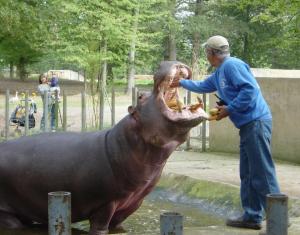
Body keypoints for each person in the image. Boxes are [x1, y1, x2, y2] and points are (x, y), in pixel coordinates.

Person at [171, 35, 280, 230]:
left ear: (212, 53)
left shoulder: (232, 65)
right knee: (247, 173)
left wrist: (230, 109)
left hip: (256, 123)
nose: (206, 56)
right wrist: (180, 83)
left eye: (206, 53)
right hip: (247, 126)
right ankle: (252, 216)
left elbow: (250, 90)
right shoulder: (220, 72)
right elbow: (203, 86)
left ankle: (278, 218)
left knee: (261, 171)